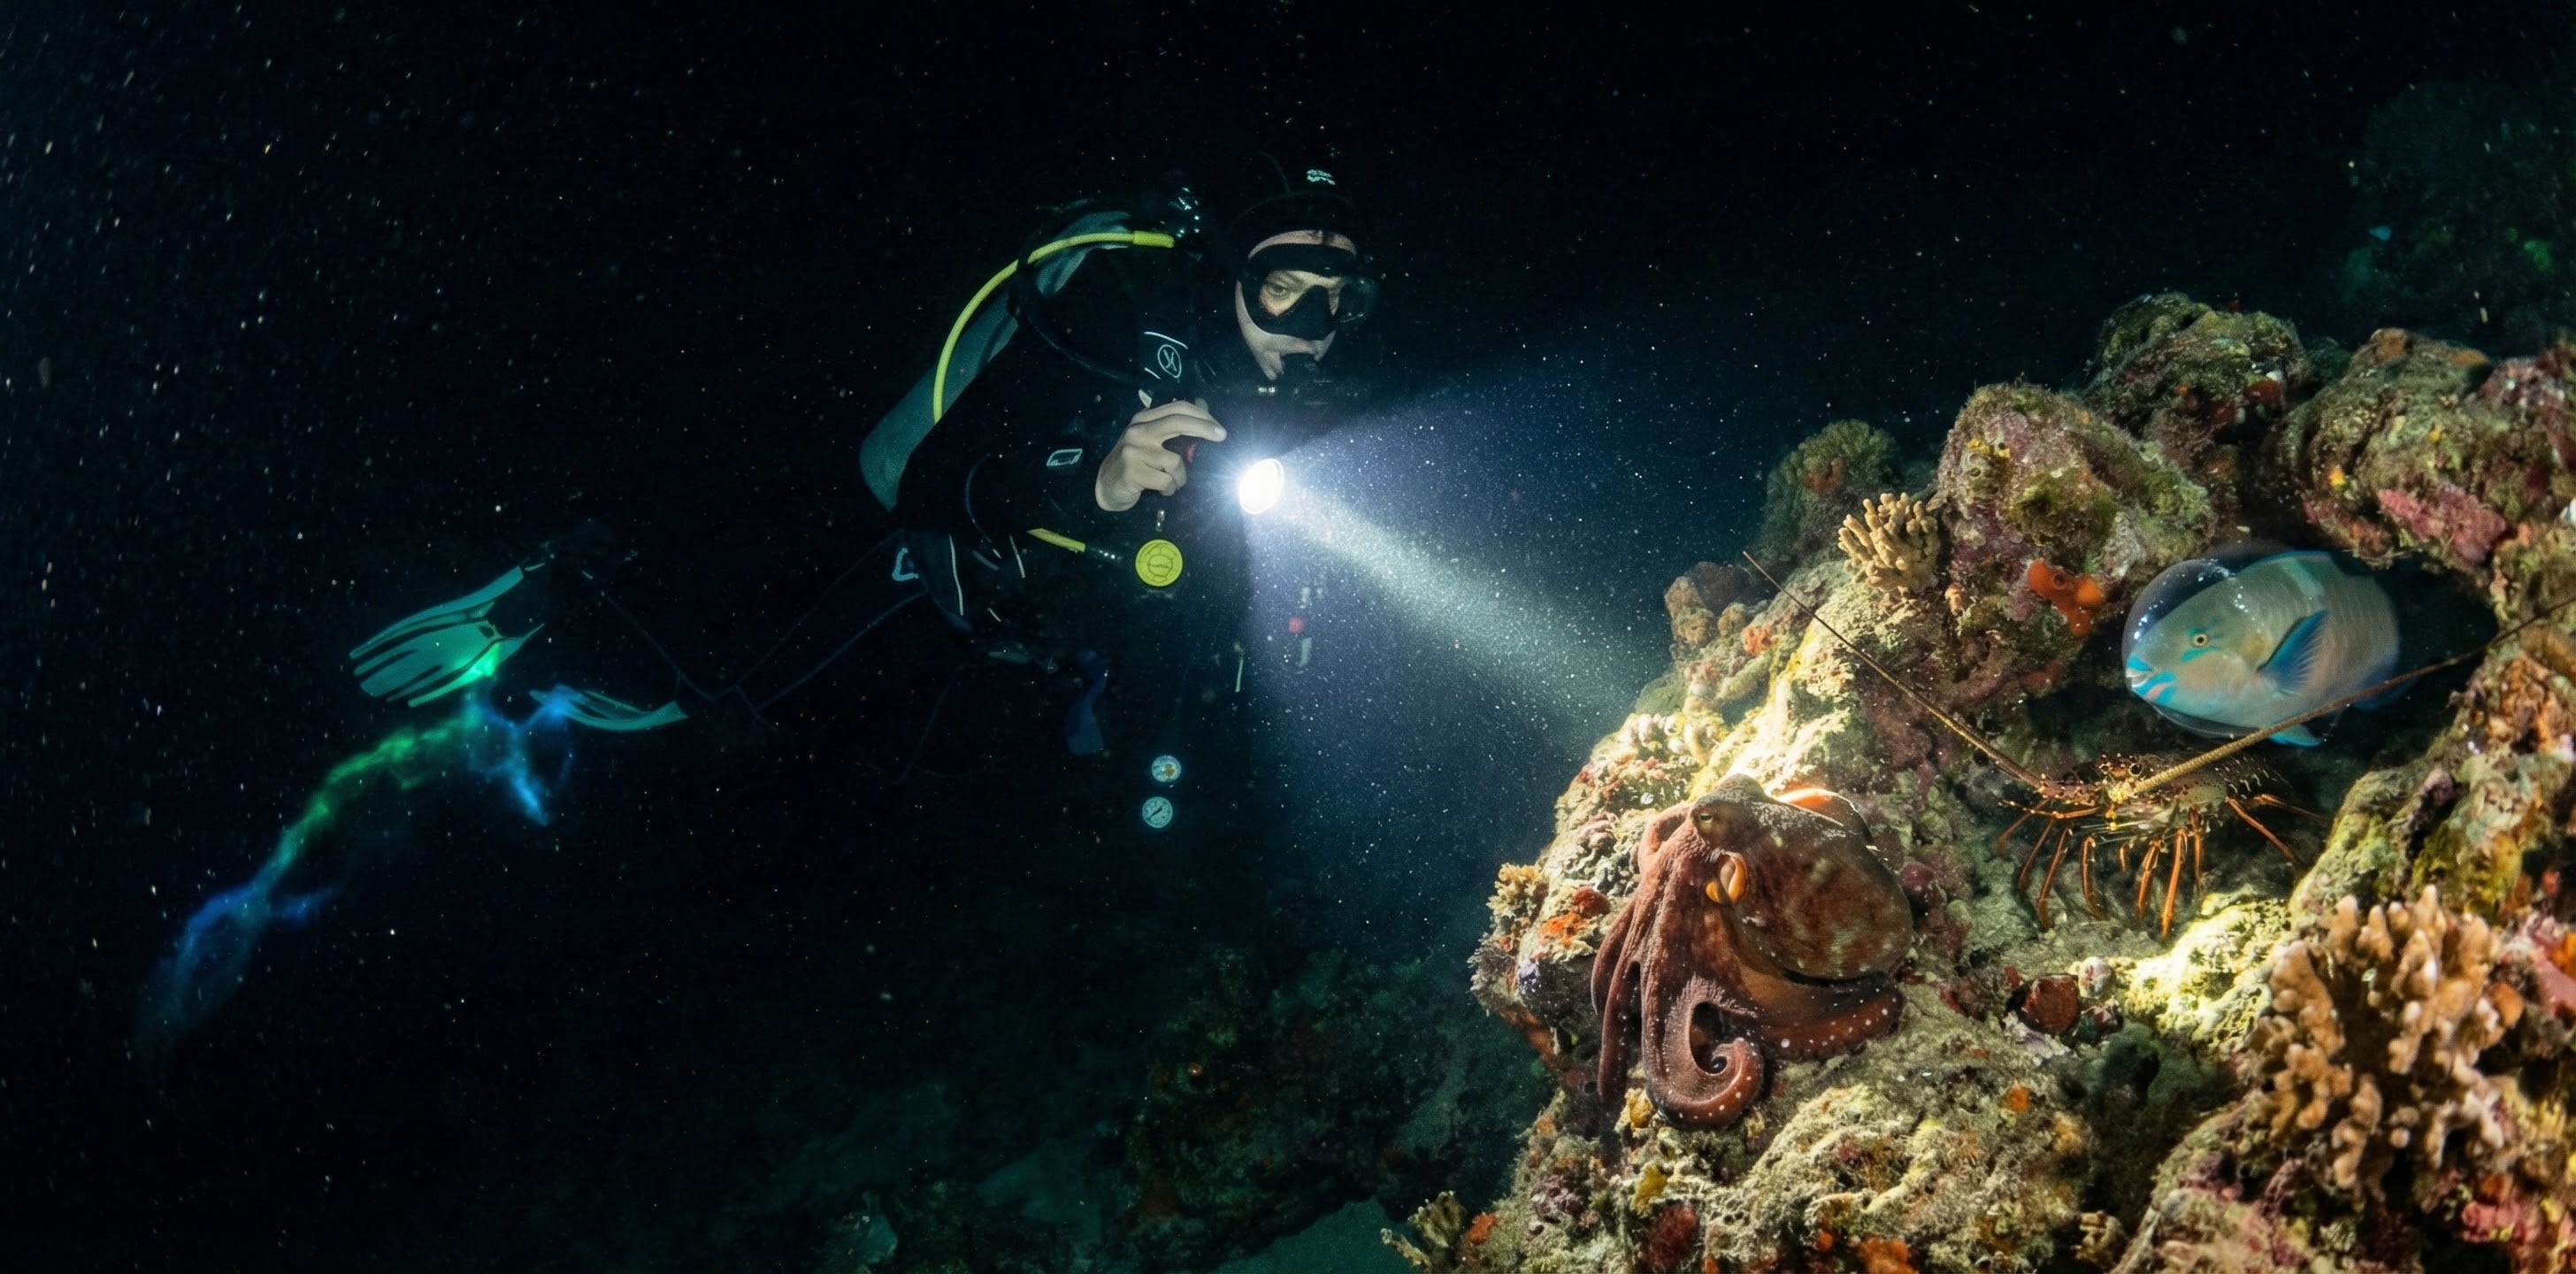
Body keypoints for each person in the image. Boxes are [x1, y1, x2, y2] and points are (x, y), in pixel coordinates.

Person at [347, 162, 1381, 800]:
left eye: (1336, 304)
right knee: (729, 711)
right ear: (1226, 280)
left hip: (1004, 616)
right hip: (915, 554)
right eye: (1282, 292)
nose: (1309, 331)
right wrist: (1096, 487)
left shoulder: (1274, 386)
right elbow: (934, 481)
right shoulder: (1121, 323)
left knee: (784, 733)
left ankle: (596, 615)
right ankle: (549, 593)